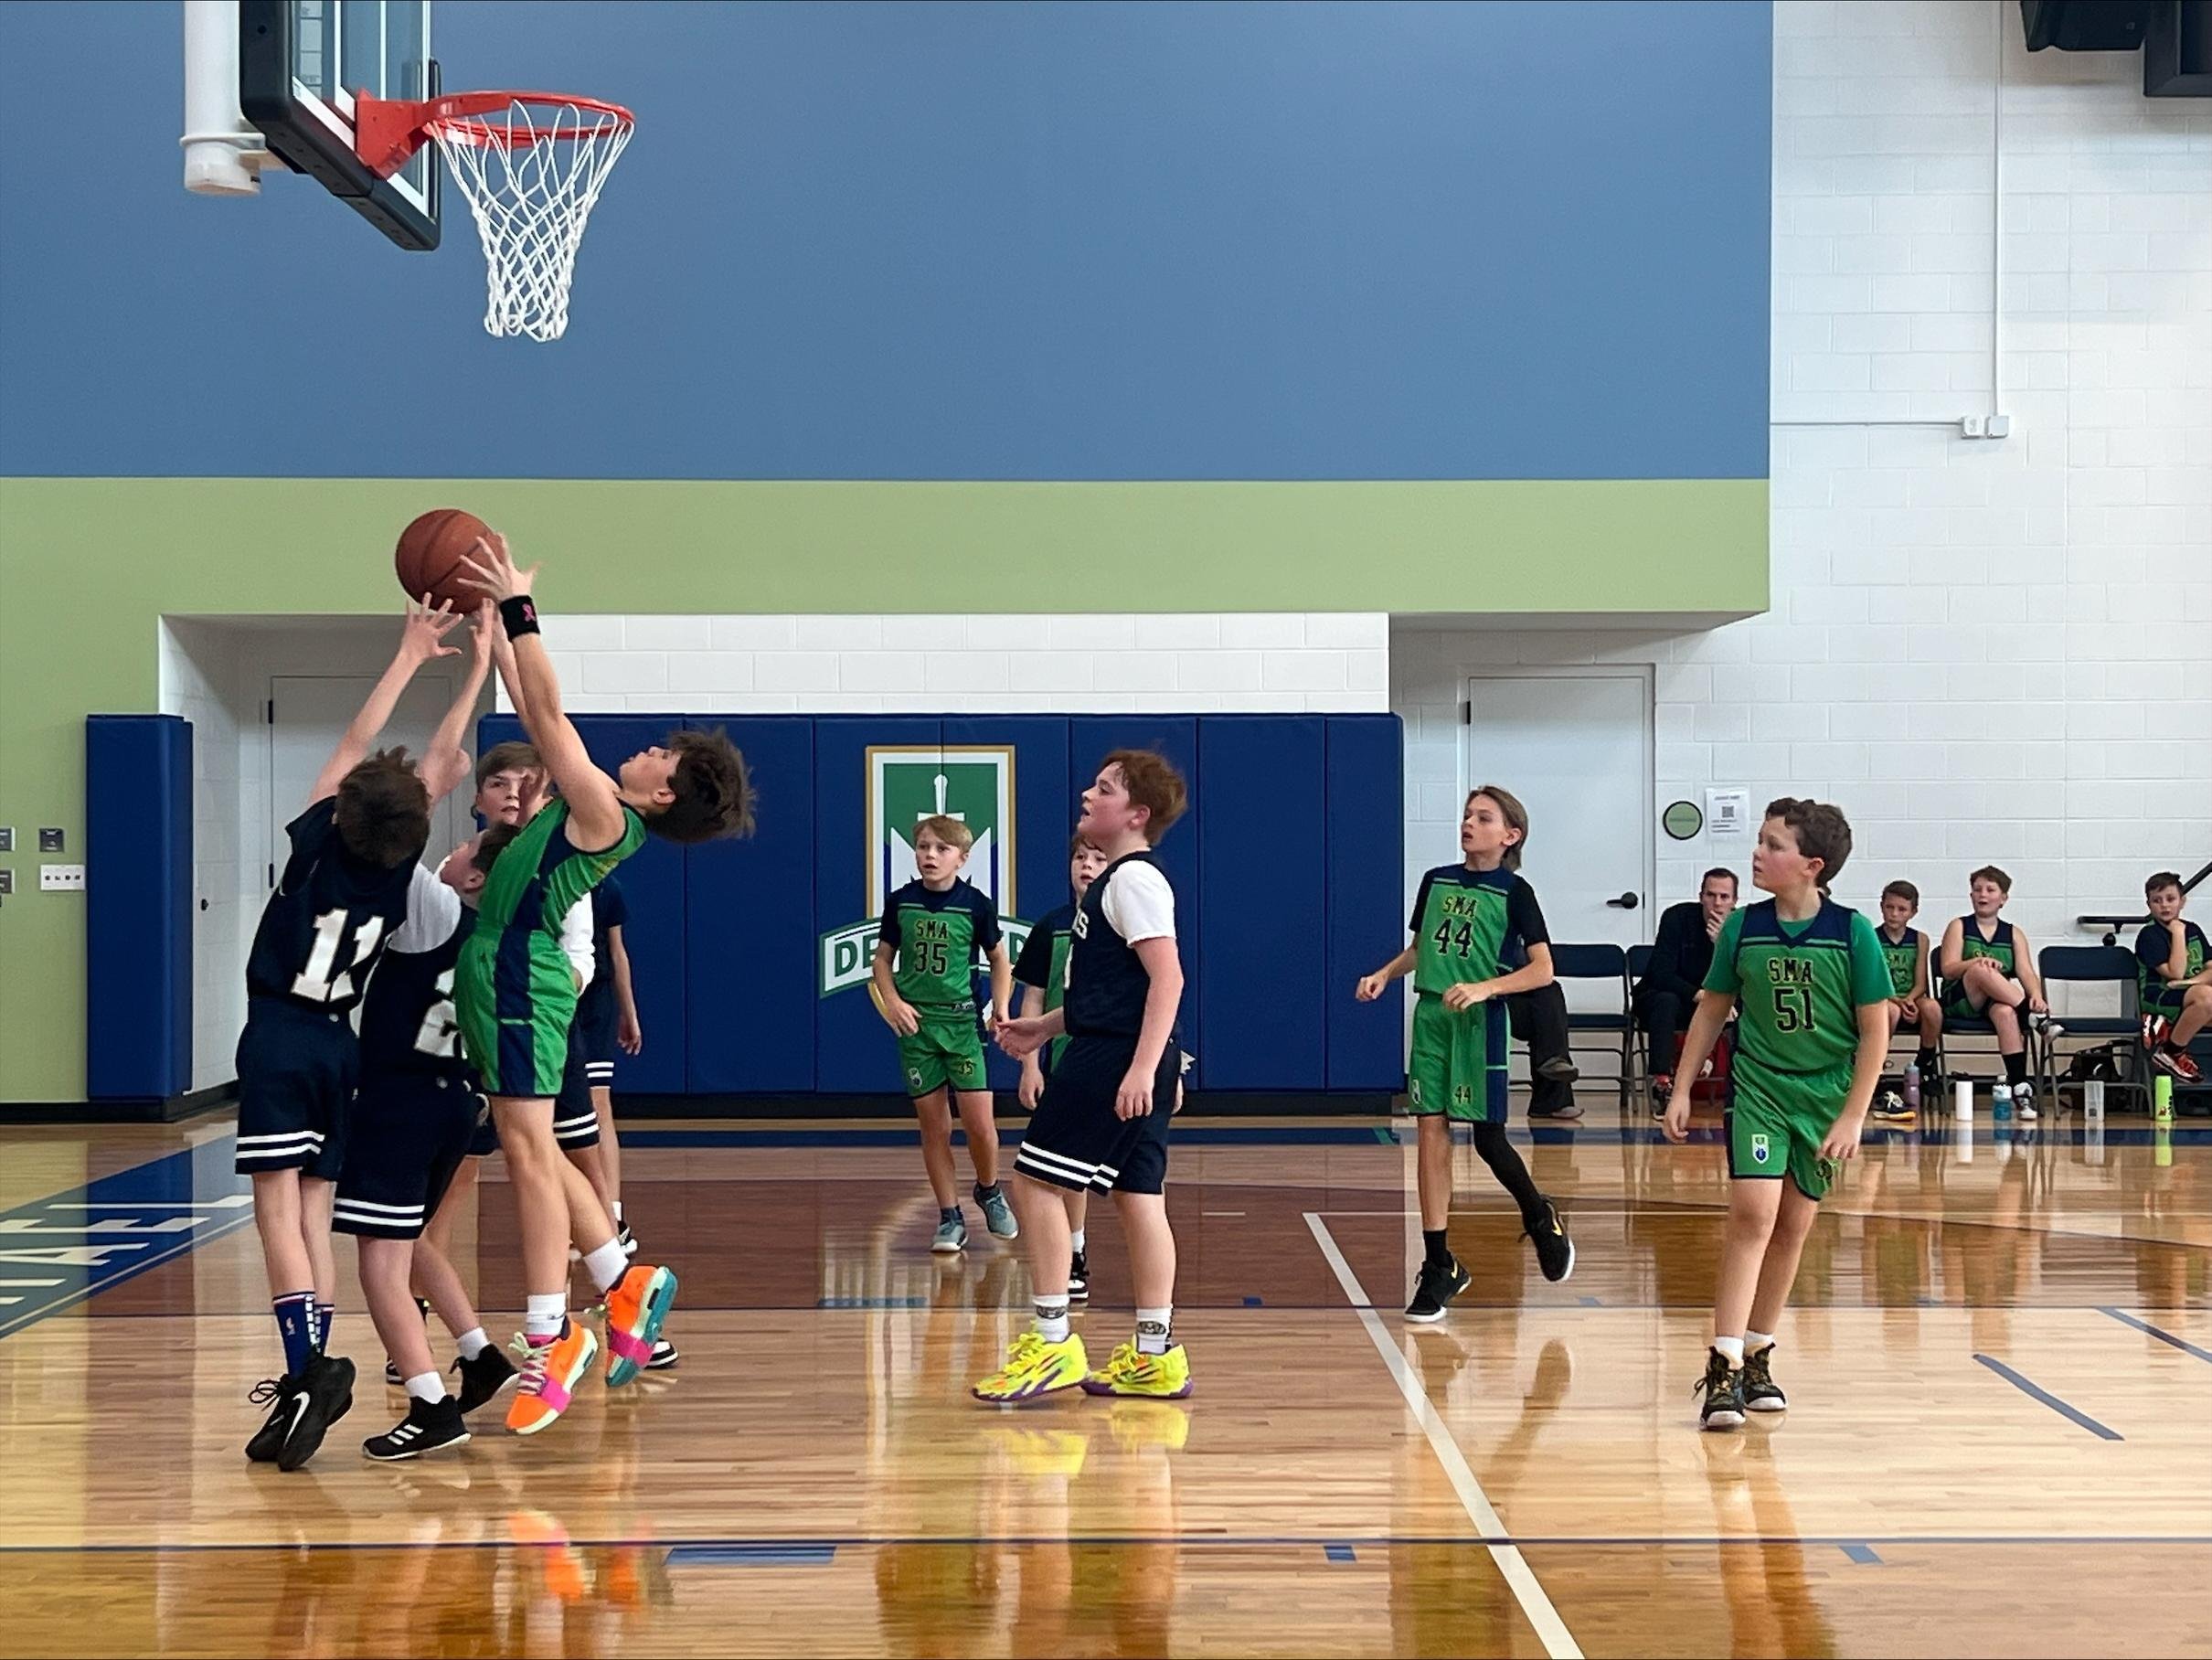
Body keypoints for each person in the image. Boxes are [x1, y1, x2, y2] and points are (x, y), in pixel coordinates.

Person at [454, 531, 753, 1433]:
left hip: (518, 969)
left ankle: (555, 1339)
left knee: (524, 1150)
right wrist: (494, 640)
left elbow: (545, 715)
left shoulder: (600, 811)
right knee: (537, 1148)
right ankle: (620, 1283)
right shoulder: (608, 810)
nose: (651, 749)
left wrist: (518, 608)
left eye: (665, 752)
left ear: (668, 791)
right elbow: (530, 697)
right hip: (503, 964)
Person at [239, 597, 461, 1472]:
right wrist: (468, 666)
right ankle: (306, 1384)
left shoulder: (319, 849)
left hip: (282, 1036)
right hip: (344, 1047)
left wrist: (409, 654)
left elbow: (354, 749)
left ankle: (307, 1368)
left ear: (336, 812)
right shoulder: (399, 866)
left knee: (274, 1215)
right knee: (317, 1213)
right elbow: (433, 769)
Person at [1663, 798, 1891, 1431]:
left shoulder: (1852, 933)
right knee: (1753, 1215)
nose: (1758, 853)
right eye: (1758, 841)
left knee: (1792, 1227)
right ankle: (1723, 1364)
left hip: (1823, 1097)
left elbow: (1876, 1032)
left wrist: (1852, 1116)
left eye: (1772, 845)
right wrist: (1683, 1088)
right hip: (1759, 1087)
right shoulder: (1742, 926)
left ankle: (1760, 1351)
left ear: (1811, 865)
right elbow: (1711, 1009)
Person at [974, 751, 1191, 1402]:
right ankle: (1155, 1354)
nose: (1087, 794)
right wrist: (1045, 1029)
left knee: (1033, 1183)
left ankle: (1051, 1344)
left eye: (1104, 789)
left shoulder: (1132, 881)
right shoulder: (1117, 884)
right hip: (1121, 1049)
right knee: (1138, 1198)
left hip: (1114, 1061)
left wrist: (1143, 1069)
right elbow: (1116, 990)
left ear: (1136, 814)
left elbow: (1168, 979)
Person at [1355, 785, 1574, 1325]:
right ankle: (1438, 1264)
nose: (1469, 824)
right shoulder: (1436, 881)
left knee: (1488, 1138)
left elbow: (1543, 970)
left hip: (1479, 1021)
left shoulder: (1515, 892)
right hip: (1432, 1017)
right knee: (1430, 1131)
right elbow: (1422, 947)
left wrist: (1486, 988)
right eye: (1467, 815)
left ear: (1510, 834)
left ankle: (1539, 1214)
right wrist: (1385, 973)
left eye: (1483, 817)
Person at [870, 815, 1018, 1251]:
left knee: (980, 1126)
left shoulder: (975, 904)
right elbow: (881, 960)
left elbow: (999, 959)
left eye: (941, 849)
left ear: (962, 857)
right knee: (934, 1127)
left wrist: (1000, 1007)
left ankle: (989, 1189)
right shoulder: (901, 902)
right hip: (918, 1027)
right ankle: (949, 1215)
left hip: (962, 1024)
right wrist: (894, 1002)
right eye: (923, 847)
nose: (930, 855)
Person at [1010, 835, 1111, 1299]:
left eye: (1098, 858)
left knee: (1120, 1175)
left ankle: (1077, 1249)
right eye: (1079, 857)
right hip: (1062, 1061)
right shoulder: (1051, 926)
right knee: (1058, 1167)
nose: (1087, 866)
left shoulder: (1121, 921)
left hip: (1112, 1060)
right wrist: (1030, 1066)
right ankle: (1072, 1253)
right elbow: (1032, 996)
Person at [1938, 866, 2046, 1122]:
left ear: (2003, 898)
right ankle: (2034, 1019)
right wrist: (1979, 962)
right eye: (1977, 890)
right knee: (1980, 970)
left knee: (2006, 1012)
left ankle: (2020, 1088)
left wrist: (2037, 995)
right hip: (1962, 998)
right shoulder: (1959, 926)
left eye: (1990, 890)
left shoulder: (2013, 933)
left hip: (1996, 1002)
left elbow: (2026, 972)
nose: (1982, 895)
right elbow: (1949, 968)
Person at [1634, 868, 1738, 1106]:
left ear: (1734, 901)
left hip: (1712, 1002)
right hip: (1665, 997)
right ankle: (1662, 1082)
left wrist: (1720, 945)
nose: (1717, 903)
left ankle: (1738, 1086)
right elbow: (1661, 973)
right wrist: (1699, 995)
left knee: (1741, 1007)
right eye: (1711, 895)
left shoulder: (1739, 925)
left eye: (1724, 897)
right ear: (1701, 896)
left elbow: (1740, 977)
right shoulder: (1677, 918)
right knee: (1666, 1001)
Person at [1870, 879, 1942, 1123]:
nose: (1894, 914)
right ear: (1882, 907)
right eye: (1889, 907)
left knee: (1933, 1008)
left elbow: (1922, 981)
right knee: (1890, 1012)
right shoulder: (1872, 937)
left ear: (1913, 912)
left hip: (1912, 997)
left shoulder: (1920, 939)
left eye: (1901, 909)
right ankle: (1877, 1069)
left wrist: (1910, 1000)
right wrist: (1899, 1003)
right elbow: (1872, 980)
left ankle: (1926, 1064)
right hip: (1885, 998)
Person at [2138, 871, 2209, 1083]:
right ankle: (2172, 1052)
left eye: (2171, 899)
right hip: (2159, 994)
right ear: (2149, 905)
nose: (2165, 906)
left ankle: (2164, 1027)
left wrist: (2190, 983)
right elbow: (2175, 974)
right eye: (2157, 901)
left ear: (2182, 901)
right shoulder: (2149, 935)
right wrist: (2177, 933)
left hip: (2188, 992)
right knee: (2207, 996)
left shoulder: (2194, 930)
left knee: (2205, 995)